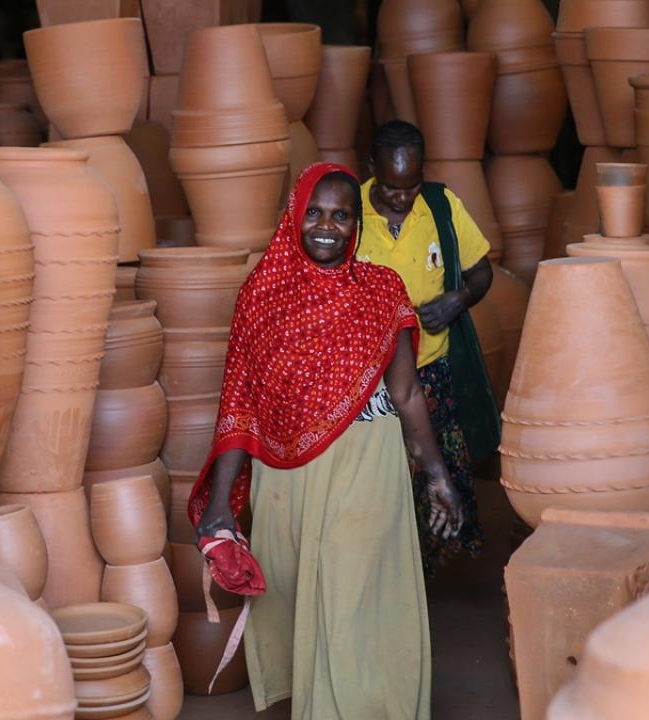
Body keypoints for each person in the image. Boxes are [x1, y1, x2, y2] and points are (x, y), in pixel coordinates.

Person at [190, 162, 464, 719]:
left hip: (368, 465)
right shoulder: (261, 295)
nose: (326, 227)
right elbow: (239, 404)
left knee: (354, 596)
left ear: (357, 224)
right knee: (303, 602)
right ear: (293, 215)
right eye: (314, 212)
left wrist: (437, 474)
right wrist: (220, 503)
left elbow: (407, 391)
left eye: (341, 216)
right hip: (287, 476)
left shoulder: (381, 290)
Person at [358, 120, 495, 575]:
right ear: (371, 169)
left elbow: (481, 271)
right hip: (369, 386)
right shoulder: (348, 213)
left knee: (439, 479)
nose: (402, 198)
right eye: (391, 187)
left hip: (432, 373)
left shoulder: (440, 205)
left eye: (411, 185)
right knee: (382, 488)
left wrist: (459, 298)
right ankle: (389, 575)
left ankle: (426, 579)